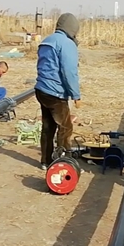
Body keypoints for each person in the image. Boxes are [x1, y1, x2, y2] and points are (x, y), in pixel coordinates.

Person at [35, 13, 81, 170]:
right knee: (65, 127)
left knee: (48, 127)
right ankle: (64, 162)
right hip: (56, 93)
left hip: (41, 90)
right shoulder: (67, 44)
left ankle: (45, 160)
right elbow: (69, 72)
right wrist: (76, 95)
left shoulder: (47, 41)